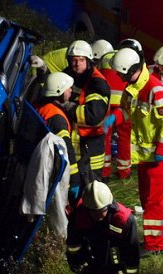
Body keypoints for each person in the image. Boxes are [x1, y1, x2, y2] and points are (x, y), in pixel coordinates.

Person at [109, 45, 163, 253]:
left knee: (153, 199)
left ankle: (155, 244)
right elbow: (128, 113)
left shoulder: (154, 90)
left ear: (131, 71)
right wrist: (116, 117)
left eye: (121, 74)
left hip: (160, 155)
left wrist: (161, 147)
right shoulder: (132, 89)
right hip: (147, 155)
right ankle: (158, 237)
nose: (119, 78)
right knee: (146, 197)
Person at [65, 40, 111, 183]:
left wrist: (68, 107)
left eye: (81, 60)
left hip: (91, 147)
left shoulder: (97, 83)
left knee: (90, 188)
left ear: (89, 61)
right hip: (73, 145)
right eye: (74, 60)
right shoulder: (68, 75)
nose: (77, 64)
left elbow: (92, 115)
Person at [36, 71, 81, 203]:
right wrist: (74, 180)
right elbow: (66, 150)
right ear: (59, 91)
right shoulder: (57, 118)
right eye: (68, 88)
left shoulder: (39, 105)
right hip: (49, 171)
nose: (71, 90)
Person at [92, 40, 129, 181]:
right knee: (124, 136)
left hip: (106, 101)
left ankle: (105, 172)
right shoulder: (128, 59)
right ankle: (124, 172)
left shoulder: (104, 59)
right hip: (124, 102)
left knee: (105, 136)